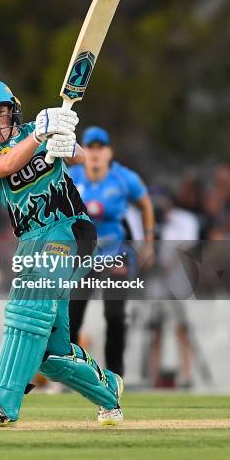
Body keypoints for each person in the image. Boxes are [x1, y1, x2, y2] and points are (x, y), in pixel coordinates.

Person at [0, 80, 124, 427]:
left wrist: (65, 144)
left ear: (12, 109)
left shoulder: (38, 129)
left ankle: (0, 405)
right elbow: (5, 168)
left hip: (70, 229)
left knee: (26, 304)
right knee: (52, 354)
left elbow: (80, 157)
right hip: (31, 242)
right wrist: (39, 139)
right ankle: (109, 392)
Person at [68, 126, 154, 377]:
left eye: (100, 148)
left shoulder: (123, 178)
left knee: (115, 316)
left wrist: (148, 242)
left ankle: (115, 376)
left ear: (109, 153)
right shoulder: (71, 177)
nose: (94, 154)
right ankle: (70, 373)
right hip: (82, 255)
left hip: (115, 254)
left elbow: (146, 204)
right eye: (90, 148)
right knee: (72, 317)